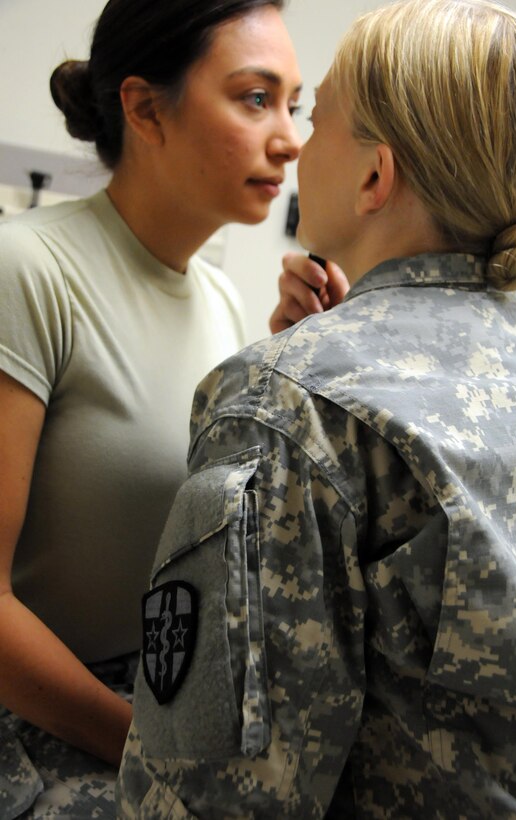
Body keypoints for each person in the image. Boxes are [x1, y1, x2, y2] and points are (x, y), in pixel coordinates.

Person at [117, 0, 516, 817]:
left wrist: (299, 384)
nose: (292, 144)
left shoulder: (286, 403)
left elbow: (214, 796)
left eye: (314, 118)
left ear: (373, 176)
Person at [0, 1, 302, 816]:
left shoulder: (223, 303)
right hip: (43, 736)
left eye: (294, 104)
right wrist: (138, 743)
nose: (290, 137)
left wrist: (293, 362)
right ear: (142, 108)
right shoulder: (26, 271)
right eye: (253, 97)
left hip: (160, 711)